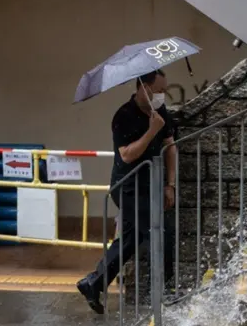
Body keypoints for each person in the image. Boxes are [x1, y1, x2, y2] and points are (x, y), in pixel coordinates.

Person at [76, 69, 177, 314]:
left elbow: (170, 147)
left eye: (165, 90)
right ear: (144, 87)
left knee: (130, 240)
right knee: (161, 233)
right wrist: (152, 130)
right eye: (159, 90)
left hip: (152, 184)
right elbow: (127, 154)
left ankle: (93, 282)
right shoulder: (123, 116)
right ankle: (166, 292)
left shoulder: (160, 111)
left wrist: (170, 184)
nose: (162, 95)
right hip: (128, 187)